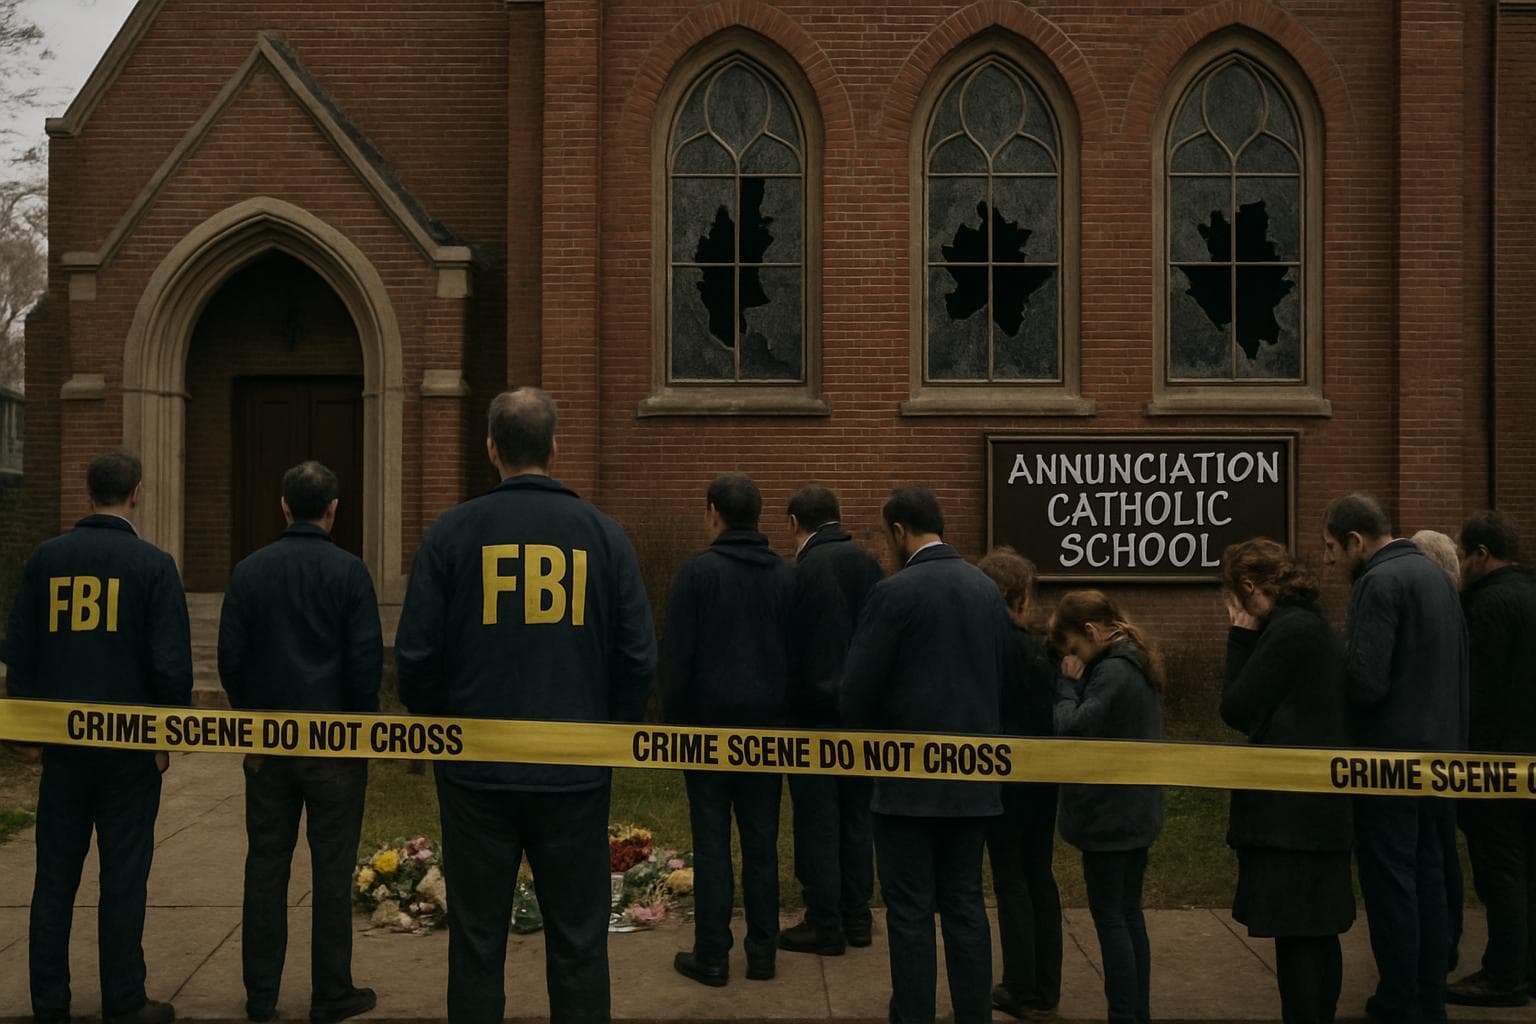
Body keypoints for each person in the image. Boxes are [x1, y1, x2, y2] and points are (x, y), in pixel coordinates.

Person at [394, 389, 657, 1024]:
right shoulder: (604, 535)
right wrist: (608, 733)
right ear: (555, 448)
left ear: (490, 448)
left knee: (477, 943)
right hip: (575, 777)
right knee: (579, 942)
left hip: (475, 777)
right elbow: (639, 656)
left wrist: (439, 729)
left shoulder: (451, 533)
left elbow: (416, 655)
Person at [0, 450, 192, 1024]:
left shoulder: (47, 559)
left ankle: (48, 1000)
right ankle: (124, 997)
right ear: (136, 492)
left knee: (54, 876)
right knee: (124, 873)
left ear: (89, 494)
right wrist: (163, 735)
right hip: (129, 750)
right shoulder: (153, 565)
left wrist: (23, 731)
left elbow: (21, 652)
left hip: (62, 748)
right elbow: (170, 667)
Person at [218, 460, 382, 1024]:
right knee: (332, 869)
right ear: (333, 509)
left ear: (284, 506)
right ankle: (331, 991)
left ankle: (261, 994)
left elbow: (231, 661)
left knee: (266, 864)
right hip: (335, 746)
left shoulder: (249, 571)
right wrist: (363, 730)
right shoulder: (350, 572)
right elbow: (364, 665)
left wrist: (250, 719)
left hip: (267, 743)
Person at [840, 486, 1007, 1024]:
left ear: (897, 531)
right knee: (965, 905)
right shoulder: (986, 590)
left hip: (906, 786)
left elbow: (856, 693)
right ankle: (973, 1013)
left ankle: (913, 1013)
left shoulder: (895, 593)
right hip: (974, 783)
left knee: (910, 912)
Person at [1322, 492, 1468, 1024]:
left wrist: (1332, 660)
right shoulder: (1436, 578)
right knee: (1431, 879)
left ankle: (1399, 998)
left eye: (1332, 548)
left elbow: (1365, 682)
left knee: (1392, 886)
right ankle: (1429, 997)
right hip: (1441, 760)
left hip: (1387, 764)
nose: (1328, 560)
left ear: (1356, 541)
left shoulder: (1377, 583)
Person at [662, 472, 795, 985]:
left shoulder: (697, 574)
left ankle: (712, 954)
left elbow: (677, 660)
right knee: (762, 846)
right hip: (768, 734)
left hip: (706, 734)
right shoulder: (786, 577)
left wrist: (674, 727)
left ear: (713, 511)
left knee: (712, 845)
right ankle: (763, 954)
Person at [1219, 539, 1355, 1024]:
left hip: (1288, 817)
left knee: (1296, 934)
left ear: (1250, 588)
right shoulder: (1315, 623)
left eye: (1233, 597)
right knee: (1319, 933)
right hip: (1323, 806)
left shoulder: (1286, 632)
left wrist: (1240, 634)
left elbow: (1236, 708)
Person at [779, 484, 883, 957]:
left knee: (817, 820)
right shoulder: (868, 564)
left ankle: (824, 920)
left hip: (814, 718)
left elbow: (794, 647)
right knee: (857, 816)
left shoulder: (804, 569)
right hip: (862, 715)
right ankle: (858, 916)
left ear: (795, 524)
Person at [1050, 590, 1163, 1024]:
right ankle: (1137, 1011)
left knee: (1111, 916)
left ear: (1092, 632)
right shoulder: (1137, 661)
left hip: (1109, 816)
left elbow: (1072, 729)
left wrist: (1066, 686)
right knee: (1129, 912)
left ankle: (1123, 1012)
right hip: (1135, 809)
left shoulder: (1111, 672)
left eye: (1074, 649)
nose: (1072, 658)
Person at [1447, 510, 1536, 1006]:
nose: (1458, 562)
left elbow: (1474, 689)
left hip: (1495, 762)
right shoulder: (1531, 593)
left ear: (1482, 554)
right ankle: (1527, 966)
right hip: (1532, 760)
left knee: (1501, 871)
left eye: (1462, 552)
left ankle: (1504, 974)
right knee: (1530, 868)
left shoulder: (1487, 605)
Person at [976, 547, 1063, 1021]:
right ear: (1019, 596)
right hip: (1042, 774)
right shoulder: (1040, 650)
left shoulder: (985, 649)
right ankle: (1045, 985)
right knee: (1039, 875)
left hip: (1001, 778)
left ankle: (1019, 985)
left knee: (1010, 879)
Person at [1409, 527, 1468, 968]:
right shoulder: (1456, 612)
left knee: (1432, 859)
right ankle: (1446, 943)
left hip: (1429, 754)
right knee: (1443, 854)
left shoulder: (1432, 615)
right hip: (1449, 754)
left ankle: (1438, 948)